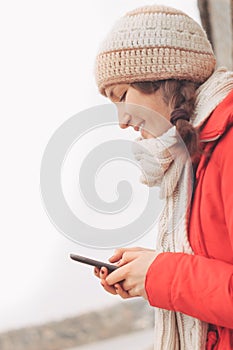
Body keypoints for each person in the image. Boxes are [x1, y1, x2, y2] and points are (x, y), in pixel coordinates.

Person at [93, 4, 233, 349]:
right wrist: (145, 270)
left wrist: (161, 274)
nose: (122, 120)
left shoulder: (227, 146)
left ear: (162, 79)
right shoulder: (194, 157)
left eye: (122, 96)